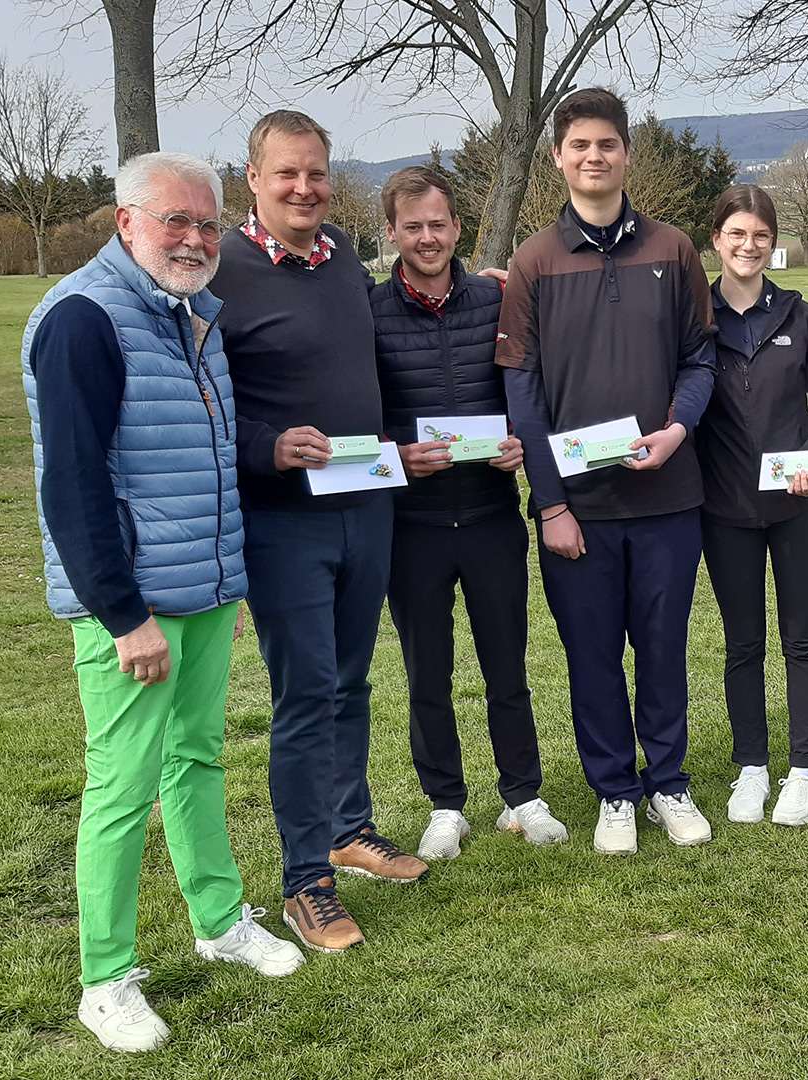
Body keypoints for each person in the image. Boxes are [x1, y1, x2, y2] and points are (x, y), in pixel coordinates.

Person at [22, 151, 304, 1052]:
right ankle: (105, 979)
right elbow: (71, 484)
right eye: (173, 221)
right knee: (121, 786)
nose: (192, 238)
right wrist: (121, 614)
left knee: (197, 761)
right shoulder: (83, 319)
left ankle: (219, 922)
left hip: (208, 587)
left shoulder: (190, 313)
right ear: (126, 223)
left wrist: (268, 453)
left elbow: (196, 446)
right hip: (135, 607)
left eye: (206, 224)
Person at [209, 110, 427, 955]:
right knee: (304, 698)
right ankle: (306, 881)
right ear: (252, 178)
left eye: (318, 174)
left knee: (352, 682)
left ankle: (349, 827)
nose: (305, 189)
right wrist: (266, 447)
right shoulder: (220, 271)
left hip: (366, 507)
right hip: (284, 524)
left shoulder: (342, 259)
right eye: (287, 174)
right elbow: (196, 400)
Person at [496, 88, 719, 855]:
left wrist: (678, 429)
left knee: (662, 649)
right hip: (578, 513)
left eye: (608, 145)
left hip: (667, 499)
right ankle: (615, 792)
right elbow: (520, 390)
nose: (595, 157)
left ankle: (669, 784)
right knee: (592, 658)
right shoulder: (533, 261)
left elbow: (700, 358)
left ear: (627, 153)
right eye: (580, 145)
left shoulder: (675, 247)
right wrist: (550, 504)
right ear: (558, 157)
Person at [371, 165, 569, 856]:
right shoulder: (369, 312)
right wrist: (397, 455)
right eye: (413, 226)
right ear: (392, 231)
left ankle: (523, 796)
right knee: (428, 672)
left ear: (459, 228)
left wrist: (517, 449)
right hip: (412, 525)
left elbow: (530, 391)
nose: (428, 238)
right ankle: (444, 805)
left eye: (439, 224)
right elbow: (359, 421)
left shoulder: (497, 302)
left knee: (505, 665)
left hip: (490, 515)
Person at [693, 184, 808, 827]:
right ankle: (751, 767)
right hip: (723, 509)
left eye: (760, 235)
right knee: (742, 643)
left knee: (802, 640)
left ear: (772, 242)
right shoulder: (693, 318)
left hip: (799, 507)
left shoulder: (801, 318)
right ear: (717, 241)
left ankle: (803, 771)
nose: (748, 245)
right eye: (736, 234)